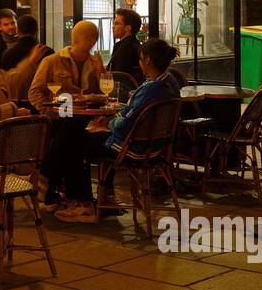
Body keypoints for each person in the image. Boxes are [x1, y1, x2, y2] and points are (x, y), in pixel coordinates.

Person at [57, 38, 181, 223]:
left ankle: (84, 205)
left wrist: (108, 124)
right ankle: (106, 195)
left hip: (133, 147)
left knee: (73, 141)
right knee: (80, 134)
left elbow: (126, 123)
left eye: (140, 59)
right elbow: (134, 114)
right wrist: (111, 120)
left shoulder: (152, 89)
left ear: (147, 60)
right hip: (156, 145)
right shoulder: (170, 81)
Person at [29, 20, 107, 207]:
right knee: (72, 130)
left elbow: (106, 95)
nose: (93, 42)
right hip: (56, 118)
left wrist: (101, 72)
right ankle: (81, 196)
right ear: (83, 39)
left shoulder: (93, 62)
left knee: (74, 133)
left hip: (83, 119)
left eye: (94, 38)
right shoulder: (53, 61)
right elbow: (34, 92)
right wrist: (46, 110)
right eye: (91, 38)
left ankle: (47, 178)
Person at [107, 8, 143, 76]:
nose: (113, 27)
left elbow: (117, 78)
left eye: (116, 23)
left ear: (128, 28)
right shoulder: (136, 44)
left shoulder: (125, 48)